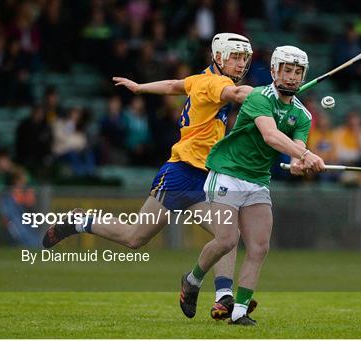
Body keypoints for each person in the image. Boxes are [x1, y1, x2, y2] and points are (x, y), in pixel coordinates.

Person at [42, 33, 256, 320]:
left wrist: (140, 87)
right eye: (235, 56)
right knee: (135, 237)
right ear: (218, 56)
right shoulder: (217, 83)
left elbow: (173, 85)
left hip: (208, 177)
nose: (241, 63)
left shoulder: (200, 78)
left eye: (244, 58)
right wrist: (274, 96)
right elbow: (240, 95)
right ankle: (80, 221)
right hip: (181, 172)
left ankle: (223, 298)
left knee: (228, 235)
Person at [179, 46, 325, 326]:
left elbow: (297, 145)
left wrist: (299, 160)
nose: (293, 77)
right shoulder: (258, 97)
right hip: (227, 172)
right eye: (287, 70)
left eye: (298, 72)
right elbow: (270, 135)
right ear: (274, 71)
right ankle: (191, 280)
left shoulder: (303, 115)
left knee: (259, 247)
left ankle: (239, 312)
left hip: (258, 181)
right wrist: (304, 156)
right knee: (227, 240)